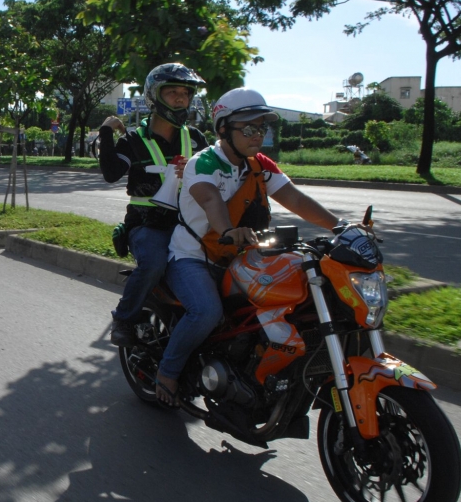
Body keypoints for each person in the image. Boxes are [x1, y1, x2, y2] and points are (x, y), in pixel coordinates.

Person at [154, 88, 342, 407]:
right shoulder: (204, 163)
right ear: (224, 129)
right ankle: (167, 372)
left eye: (262, 127)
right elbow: (211, 200)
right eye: (249, 128)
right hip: (194, 257)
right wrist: (228, 230)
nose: (258, 135)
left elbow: (295, 199)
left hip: (241, 256)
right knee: (207, 312)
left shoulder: (259, 164)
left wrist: (340, 226)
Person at [98, 63, 210, 347]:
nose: (181, 98)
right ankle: (124, 317)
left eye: (185, 92)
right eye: (172, 92)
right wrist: (106, 132)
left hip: (191, 224)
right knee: (154, 262)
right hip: (147, 225)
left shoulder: (196, 139)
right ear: (154, 96)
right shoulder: (134, 140)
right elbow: (111, 173)